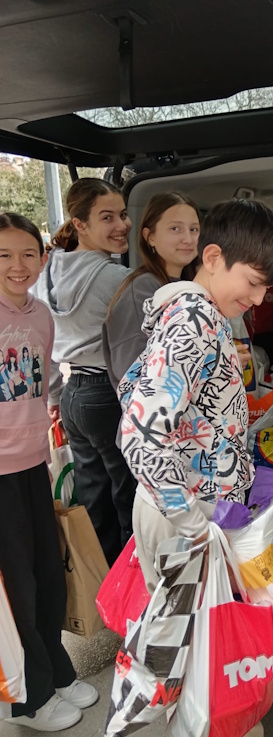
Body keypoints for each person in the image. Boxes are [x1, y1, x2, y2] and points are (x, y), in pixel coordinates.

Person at [119, 198, 273, 737]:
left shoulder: (189, 313)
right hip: (188, 517)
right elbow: (139, 431)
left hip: (186, 509)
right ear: (214, 257)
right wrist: (191, 518)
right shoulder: (194, 320)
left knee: (190, 650)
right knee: (217, 648)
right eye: (254, 283)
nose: (258, 299)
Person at [0, 212, 98, 732]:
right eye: (3, 256)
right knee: (15, 586)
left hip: (33, 459)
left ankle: (56, 670)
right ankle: (29, 699)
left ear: (43, 259)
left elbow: (42, 383)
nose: (17, 266)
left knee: (45, 577)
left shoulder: (40, 314)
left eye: (27, 254)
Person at [34, 177, 137, 565]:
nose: (121, 225)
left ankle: (100, 576)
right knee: (129, 491)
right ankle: (132, 580)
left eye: (123, 214)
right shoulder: (117, 279)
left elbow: (43, 342)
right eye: (107, 217)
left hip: (73, 393)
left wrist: (54, 396)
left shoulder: (46, 273)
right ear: (79, 224)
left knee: (94, 493)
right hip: (109, 393)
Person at [103, 191, 201, 390]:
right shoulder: (143, 289)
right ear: (150, 237)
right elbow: (132, 374)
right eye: (175, 229)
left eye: (194, 229)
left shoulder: (189, 286)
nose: (188, 239)